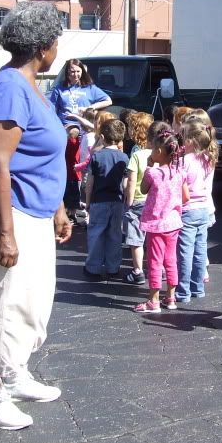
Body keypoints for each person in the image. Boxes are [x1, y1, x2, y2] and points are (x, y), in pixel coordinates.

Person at [0, 1, 72, 430]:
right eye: (56, 40)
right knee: (7, 301)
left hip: (36, 208)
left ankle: (15, 374)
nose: (58, 47)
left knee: (34, 298)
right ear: (43, 46)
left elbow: (43, 157)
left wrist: (59, 208)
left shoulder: (32, 87)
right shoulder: (11, 86)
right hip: (11, 210)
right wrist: (6, 233)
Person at [134, 124, 188, 313]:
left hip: (157, 225)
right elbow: (185, 197)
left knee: (155, 262)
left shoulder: (153, 173)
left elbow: (142, 190)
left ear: (158, 150)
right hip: (174, 222)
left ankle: (153, 300)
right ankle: (171, 297)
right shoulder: (179, 172)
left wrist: (149, 165)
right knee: (171, 260)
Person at [49, 59, 112, 223]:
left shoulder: (89, 89)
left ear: (82, 72)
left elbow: (108, 100)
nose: (75, 74)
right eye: (72, 71)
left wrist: (91, 108)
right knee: (69, 169)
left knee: (83, 172)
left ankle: (78, 205)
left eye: (78, 71)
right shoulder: (59, 89)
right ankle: (67, 206)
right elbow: (50, 108)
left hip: (87, 131)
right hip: (67, 131)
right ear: (67, 72)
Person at [175, 118, 218, 303]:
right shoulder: (208, 159)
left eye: (183, 137)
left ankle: (183, 291)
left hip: (188, 208)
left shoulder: (184, 161)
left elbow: (179, 185)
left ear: (191, 140)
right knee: (200, 250)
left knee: (185, 251)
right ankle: (197, 287)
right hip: (203, 208)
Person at [83, 119, 129, 279]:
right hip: (117, 201)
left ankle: (93, 268)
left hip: (99, 200)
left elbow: (90, 182)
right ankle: (113, 267)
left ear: (102, 136)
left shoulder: (97, 157)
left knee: (96, 233)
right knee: (115, 234)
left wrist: (87, 201)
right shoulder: (124, 158)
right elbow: (125, 181)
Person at [121, 113, 156, 284]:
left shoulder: (136, 153)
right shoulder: (159, 153)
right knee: (153, 237)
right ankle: (158, 268)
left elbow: (132, 178)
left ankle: (138, 271)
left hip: (138, 200)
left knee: (136, 238)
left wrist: (128, 199)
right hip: (155, 200)